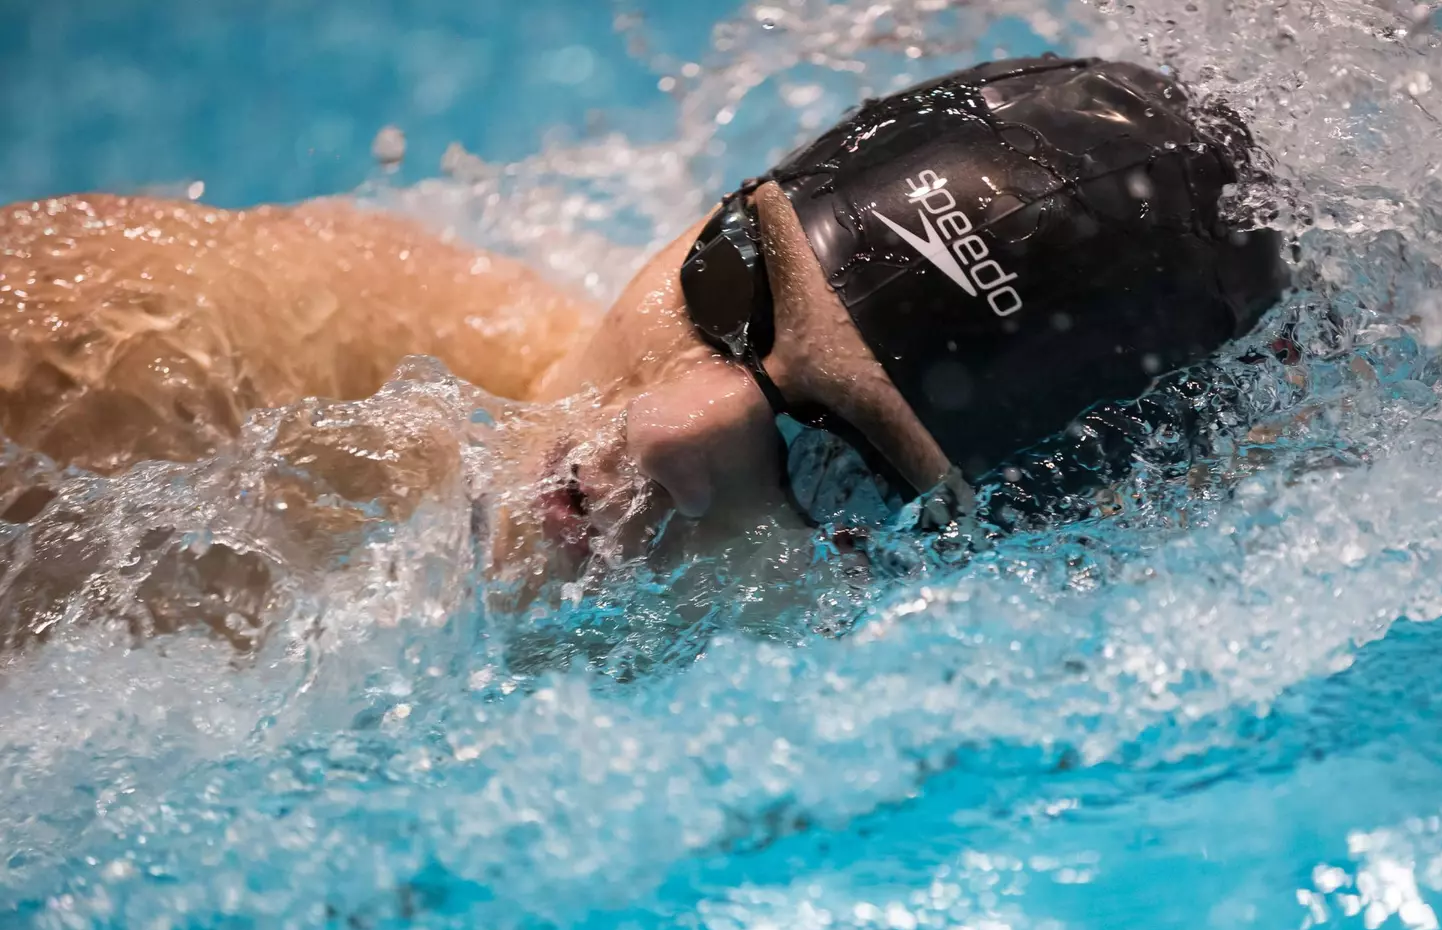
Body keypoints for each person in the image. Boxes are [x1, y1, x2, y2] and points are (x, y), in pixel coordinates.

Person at [0, 55, 1288, 616]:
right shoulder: (119, 378)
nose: (677, 430)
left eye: (842, 468)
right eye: (735, 291)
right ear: (707, 212)